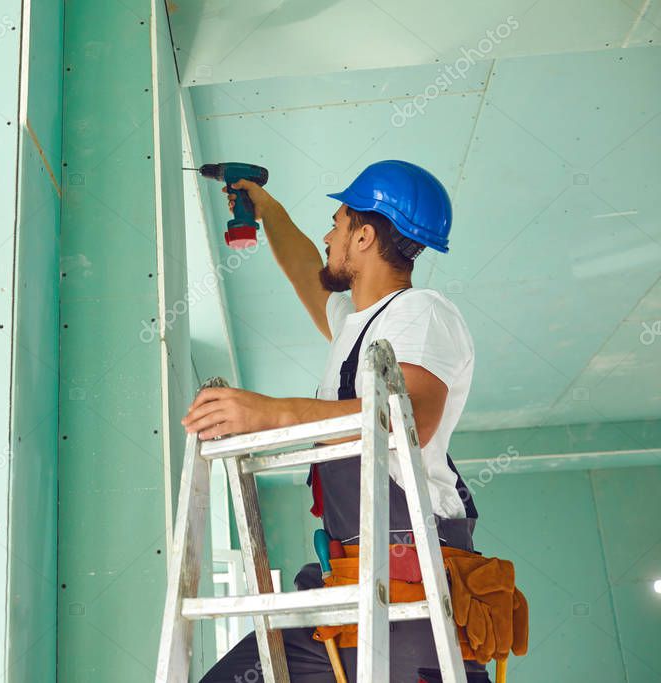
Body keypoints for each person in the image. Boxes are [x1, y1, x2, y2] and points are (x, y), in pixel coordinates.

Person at [181, 160, 489, 682]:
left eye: (337, 222)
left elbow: (405, 422)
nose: (327, 234)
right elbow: (308, 268)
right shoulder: (358, 325)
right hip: (348, 584)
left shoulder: (421, 312)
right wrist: (265, 206)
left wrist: (271, 412)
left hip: (410, 582)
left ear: (364, 235)